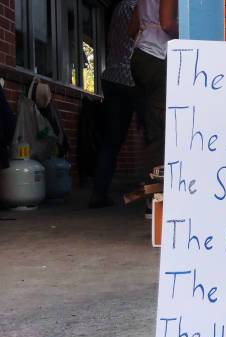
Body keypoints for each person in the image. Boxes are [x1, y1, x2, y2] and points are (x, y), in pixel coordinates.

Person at [128, 0, 177, 217]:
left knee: (152, 127)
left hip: (140, 56)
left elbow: (132, 29)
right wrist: (188, 31)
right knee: (163, 129)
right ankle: (157, 199)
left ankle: (151, 196)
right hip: (158, 56)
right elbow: (167, 23)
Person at [90, 0, 139, 209]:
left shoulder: (118, 7)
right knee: (154, 133)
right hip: (130, 76)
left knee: (112, 141)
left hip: (111, 76)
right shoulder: (139, 7)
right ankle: (156, 191)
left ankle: (98, 193)